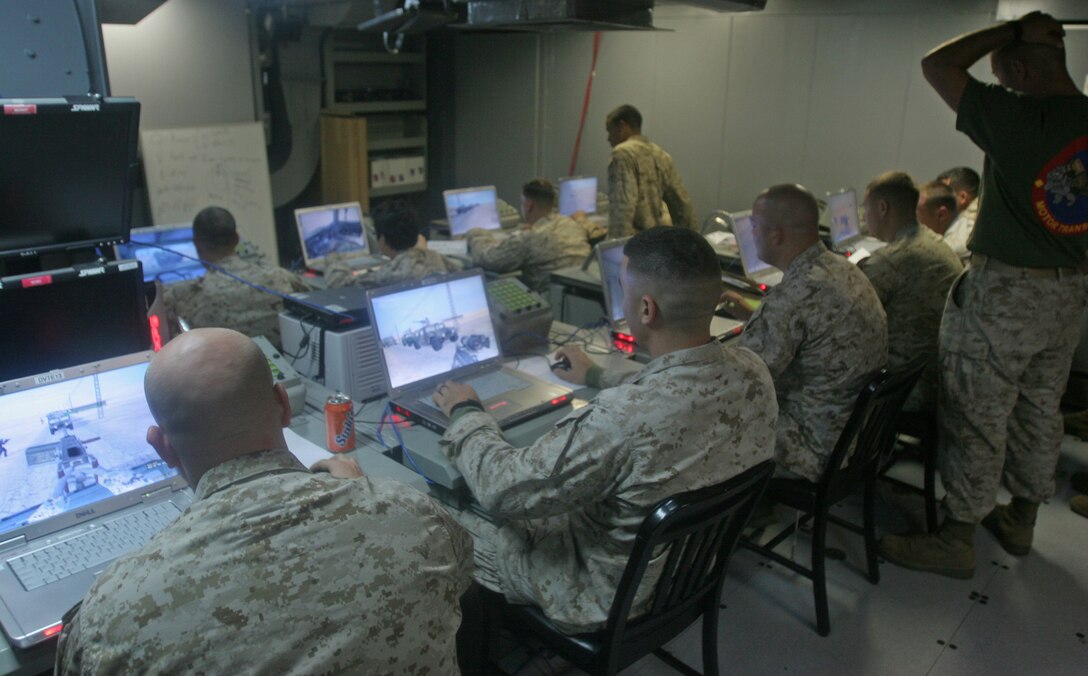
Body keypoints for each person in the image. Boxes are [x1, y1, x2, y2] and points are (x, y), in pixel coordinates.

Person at [55, 328, 473, 674]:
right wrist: (362, 496)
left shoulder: (110, 616)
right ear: (284, 404)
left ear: (162, 449)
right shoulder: (414, 515)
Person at [432, 226, 777, 633]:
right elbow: (670, 391)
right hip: (684, 572)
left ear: (646, 310)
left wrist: (467, 412)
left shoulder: (620, 419)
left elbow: (503, 489)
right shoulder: (754, 372)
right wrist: (595, 374)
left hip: (601, 596)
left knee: (443, 509)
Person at [879, 11, 1088, 578]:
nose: (1003, 86)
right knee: (1041, 407)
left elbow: (937, 64)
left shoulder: (1017, 115)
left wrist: (1014, 29)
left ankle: (956, 536)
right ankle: (1021, 518)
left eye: (1005, 74)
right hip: (1069, 294)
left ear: (1019, 67)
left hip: (1008, 293)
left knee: (976, 412)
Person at [722, 184, 887, 482]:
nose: (749, 235)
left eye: (754, 226)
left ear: (776, 235)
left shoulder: (793, 297)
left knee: (705, 420)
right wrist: (753, 314)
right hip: (852, 431)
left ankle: (732, 519)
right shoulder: (843, 269)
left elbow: (737, 380)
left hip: (812, 444)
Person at [860, 172, 962, 412]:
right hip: (931, 374)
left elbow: (839, 318)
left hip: (899, 389)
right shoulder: (935, 242)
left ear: (883, 208)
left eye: (866, 209)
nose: (864, 218)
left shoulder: (892, 261)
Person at [150, 206, 311, 350]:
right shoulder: (280, 277)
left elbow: (160, 347)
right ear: (237, 239)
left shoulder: (183, 297)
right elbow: (315, 303)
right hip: (281, 368)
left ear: (196, 244)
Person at [466, 179, 595, 293]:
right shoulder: (571, 223)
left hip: (550, 300)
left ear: (529, 206)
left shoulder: (529, 238)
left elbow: (488, 259)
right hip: (577, 293)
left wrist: (475, 233)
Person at [325, 199, 462, 290]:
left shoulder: (393, 273)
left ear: (382, 238)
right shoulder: (434, 257)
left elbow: (339, 284)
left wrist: (332, 256)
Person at [605, 104, 696, 239]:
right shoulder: (660, 154)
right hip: (656, 243)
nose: (608, 138)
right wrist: (691, 241)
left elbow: (623, 210)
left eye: (610, 131)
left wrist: (615, 251)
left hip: (634, 246)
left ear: (621, 126)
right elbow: (682, 204)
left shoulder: (622, 154)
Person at [936, 166, 981, 262]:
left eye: (943, 196)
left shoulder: (970, 222)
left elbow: (942, 253)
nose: (937, 202)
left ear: (963, 197)